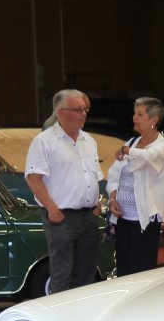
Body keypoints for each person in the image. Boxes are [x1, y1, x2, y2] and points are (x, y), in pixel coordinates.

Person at [25, 88, 104, 292]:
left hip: (89, 216)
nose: (83, 114)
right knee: (62, 271)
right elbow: (34, 178)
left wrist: (97, 206)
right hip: (61, 217)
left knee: (87, 272)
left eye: (85, 110)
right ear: (60, 112)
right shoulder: (44, 142)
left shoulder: (89, 141)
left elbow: (94, 176)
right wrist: (52, 210)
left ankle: (83, 311)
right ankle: (60, 312)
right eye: (78, 110)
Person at [107, 97, 164, 276]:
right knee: (123, 268)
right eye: (134, 114)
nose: (134, 118)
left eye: (140, 114)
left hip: (145, 218)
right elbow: (114, 173)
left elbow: (148, 157)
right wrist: (112, 198)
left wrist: (125, 151)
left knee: (142, 269)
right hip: (122, 216)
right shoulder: (131, 142)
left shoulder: (163, 145)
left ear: (153, 120)